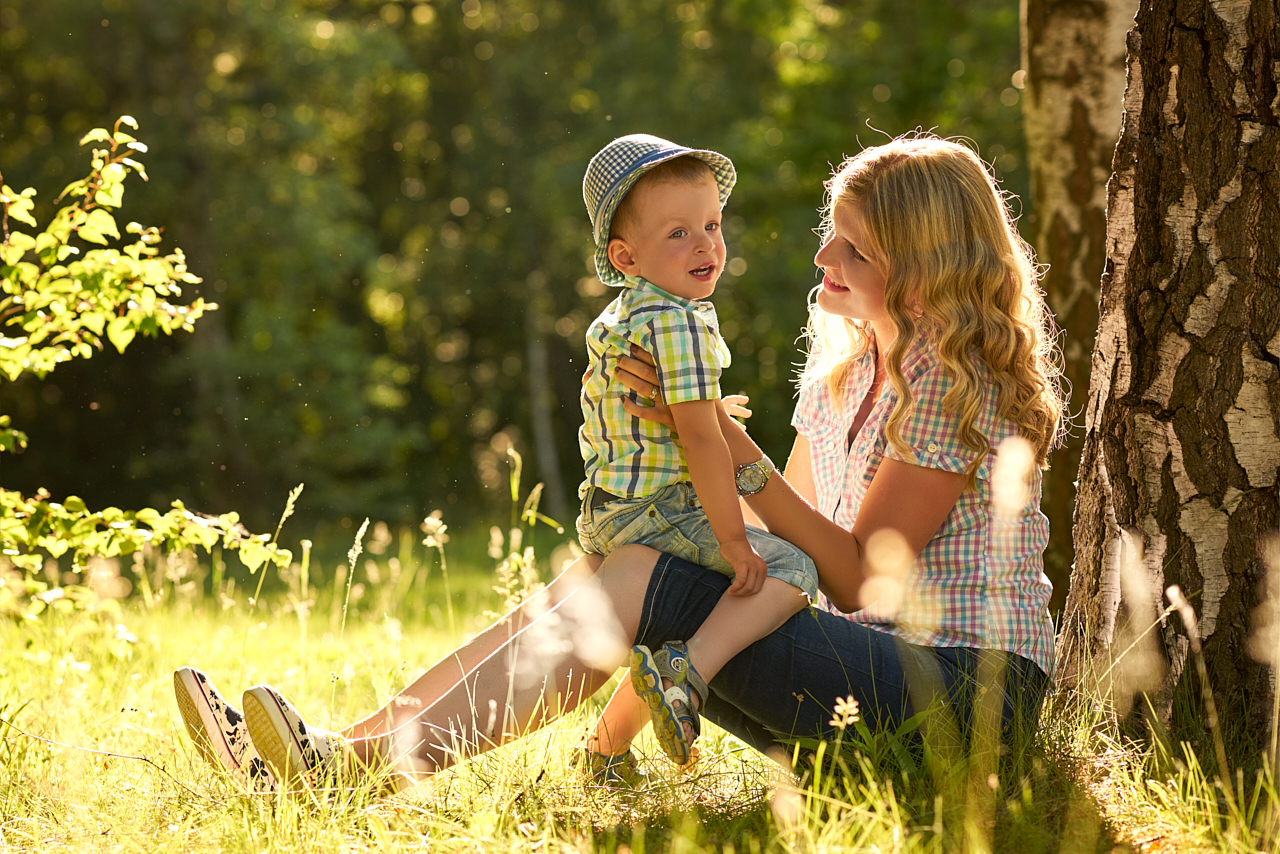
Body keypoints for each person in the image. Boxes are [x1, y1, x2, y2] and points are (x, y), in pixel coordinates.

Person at [173, 133, 1062, 794]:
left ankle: (351, 770)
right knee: (609, 566)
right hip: (851, 678)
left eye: (854, 248)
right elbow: (754, 538)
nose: (823, 255)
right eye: (832, 233)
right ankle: (342, 748)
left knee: (643, 569)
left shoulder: (957, 387)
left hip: (964, 702)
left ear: (921, 269)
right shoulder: (845, 375)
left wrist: (723, 440)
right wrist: (697, 451)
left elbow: (867, 581)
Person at [573, 133, 818, 781]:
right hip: (657, 510)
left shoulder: (625, 316)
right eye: (678, 233)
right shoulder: (680, 322)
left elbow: (673, 418)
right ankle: (688, 672)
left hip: (609, 510)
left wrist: (711, 409)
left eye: (711, 224)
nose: (706, 244)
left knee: (676, 611)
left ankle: (606, 752)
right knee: (790, 567)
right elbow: (701, 442)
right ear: (626, 255)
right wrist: (737, 541)